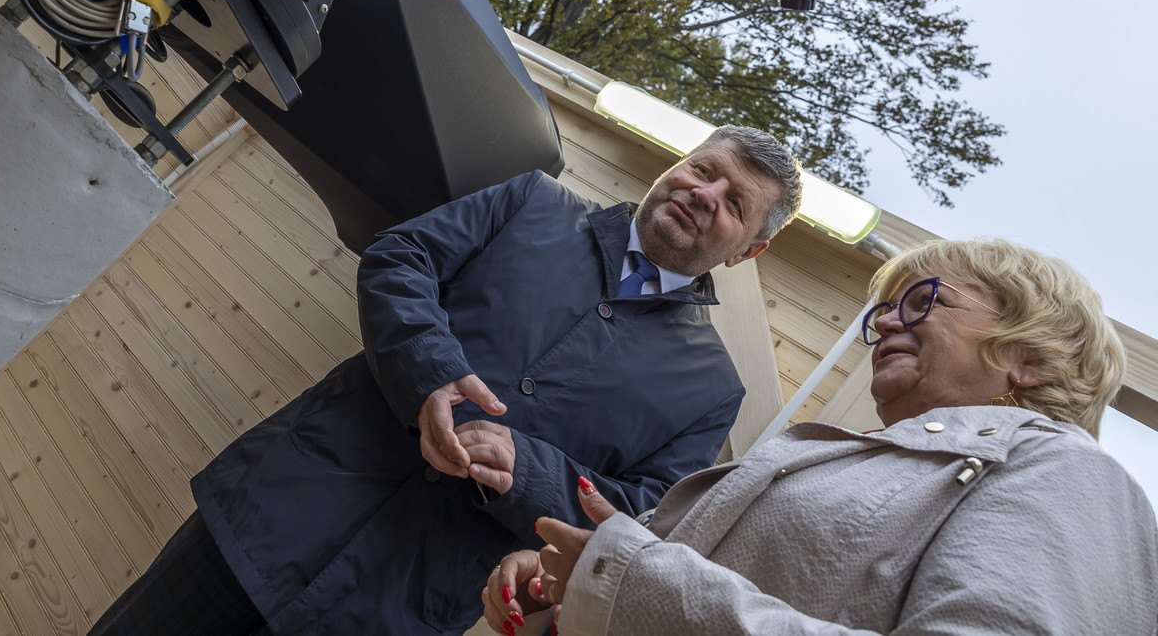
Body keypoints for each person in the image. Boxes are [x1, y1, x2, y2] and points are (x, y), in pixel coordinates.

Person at [85, 126, 804, 636]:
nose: (704, 193)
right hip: (271, 515)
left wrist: (528, 470)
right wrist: (429, 373)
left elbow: (643, 520)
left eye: (734, 202)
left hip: (389, 611)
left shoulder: (712, 390)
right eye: (702, 169)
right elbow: (400, 258)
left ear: (749, 250)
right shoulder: (531, 202)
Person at [483, 237, 1158, 636]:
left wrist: (629, 577)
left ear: (1029, 357)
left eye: (922, 300)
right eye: (883, 310)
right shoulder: (859, 459)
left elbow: (649, 584)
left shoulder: (1065, 471)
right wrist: (566, 583)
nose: (885, 323)